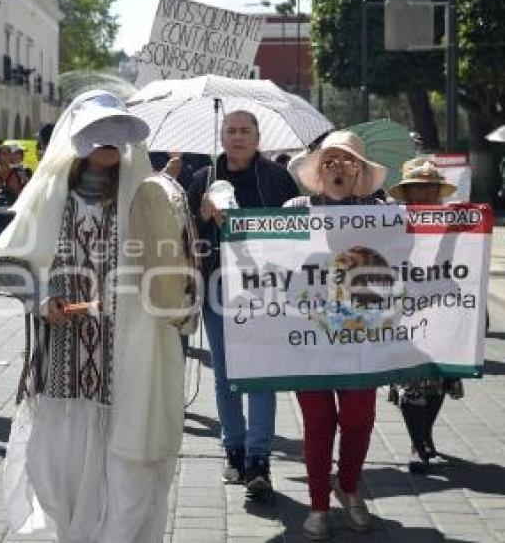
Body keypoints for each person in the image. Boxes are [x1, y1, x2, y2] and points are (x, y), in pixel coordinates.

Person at [0, 91, 186, 542]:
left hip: (126, 366)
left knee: (127, 478)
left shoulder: (144, 196)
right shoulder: (48, 192)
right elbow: (4, 263)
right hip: (63, 369)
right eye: (98, 133)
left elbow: (172, 270)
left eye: (115, 134)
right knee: (63, 476)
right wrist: (42, 299)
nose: (108, 144)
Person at [187, 110, 300, 500]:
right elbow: (184, 237)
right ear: (221, 135)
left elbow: (296, 232)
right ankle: (232, 450)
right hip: (218, 290)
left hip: (266, 291)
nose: (237, 137)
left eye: (244, 131)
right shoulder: (202, 178)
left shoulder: (277, 177)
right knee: (225, 375)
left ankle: (259, 458)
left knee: (262, 375)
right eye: (230, 130)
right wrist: (200, 218)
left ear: (257, 137)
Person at [284, 130, 388, 540]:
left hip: (362, 336)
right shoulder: (294, 209)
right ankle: (318, 506)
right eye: (329, 161)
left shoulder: (383, 212)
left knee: (360, 419)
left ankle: (347, 486)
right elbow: (261, 252)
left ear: (360, 172)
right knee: (319, 422)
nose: (337, 168)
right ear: (318, 170)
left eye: (347, 161)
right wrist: (224, 218)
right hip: (309, 334)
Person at [386, 158, 464, 474]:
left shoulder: (456, 220)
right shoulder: (391, 221)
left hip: (444, 304)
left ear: (438, 192)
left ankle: (425, 437)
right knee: (410, 380)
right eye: (415, 188)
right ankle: (420, 446)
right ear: (405, 193)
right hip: (404, 307)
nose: (422, 194)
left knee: (438, 378)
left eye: (429, 188)